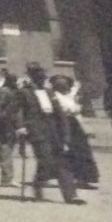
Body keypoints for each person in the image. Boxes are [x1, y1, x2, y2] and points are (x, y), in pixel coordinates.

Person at [14, 63, 84, 205]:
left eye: (42, 75)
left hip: (54, 130)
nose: (41, 78)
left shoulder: (50, 92)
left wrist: (65, 132)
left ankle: (71, 196)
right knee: (46, 161)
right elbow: (17, 111)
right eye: (38, 75)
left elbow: (60, 113)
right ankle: (38, 183)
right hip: (37, 130)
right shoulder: (24, 92)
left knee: (62, 162)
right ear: (32, 76)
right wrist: (21, 126)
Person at [51, 74, 99, 188]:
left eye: (66, 85)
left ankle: (84, 179)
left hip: (75, 125)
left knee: (83, 151)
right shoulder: (55, 97)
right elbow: (64, 110)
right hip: (63, 124)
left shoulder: (69, 96)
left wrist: (86, 128)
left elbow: (77, 112)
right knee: (68, 152)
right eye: (62, 86)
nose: (65, 88)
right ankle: (67, 178)